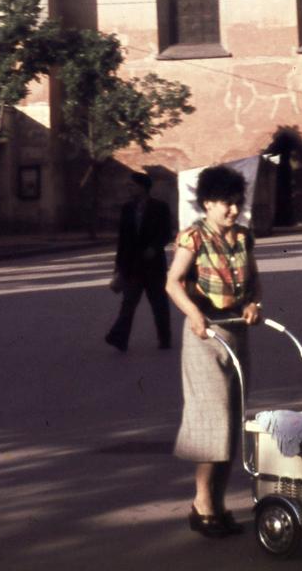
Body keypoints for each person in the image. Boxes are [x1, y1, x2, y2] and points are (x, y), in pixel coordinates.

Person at [167, 164, 262, 539]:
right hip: (205, 335)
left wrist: (254, 304)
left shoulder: (243, 237)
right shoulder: (193, 238)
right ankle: (202, 503)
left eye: (237, 203)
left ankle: (217, 504)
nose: (234, 210)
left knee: (233, 419)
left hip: (237, 332)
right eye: (227, 203)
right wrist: (193, 313)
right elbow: (172, 283)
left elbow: (255, 282)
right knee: (214, 420)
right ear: (207, 203)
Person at [104, 172, 174, 352]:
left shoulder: (160, 208)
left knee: (158, 304)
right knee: (128, 303)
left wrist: (154, 247)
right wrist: (117, 268)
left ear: (143, 187)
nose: (129, 189)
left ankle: (164, 338)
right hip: (132, 265)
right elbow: (123, 240)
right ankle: (120, 339)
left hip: (153, 265)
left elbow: (166, 233)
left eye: (132, 186)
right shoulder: (127, 208)